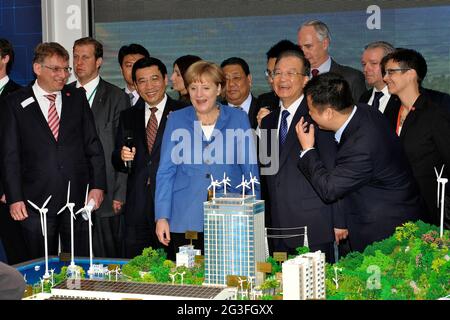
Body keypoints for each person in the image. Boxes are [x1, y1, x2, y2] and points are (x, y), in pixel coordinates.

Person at [0, 42, 106, 259]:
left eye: (66, 69)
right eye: (56, 69)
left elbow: (92, 145)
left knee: (79, 264)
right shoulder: (14, 103)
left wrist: (98, 186)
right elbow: (9, 155)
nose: (63, 75)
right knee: (39, 264)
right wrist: (14, 198)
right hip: (33, 202)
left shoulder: (76, 98)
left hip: (76, 200)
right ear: (37, 68)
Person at [296, 72, 422, 252]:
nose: (309, 114)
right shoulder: (366, 111)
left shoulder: (362, 146)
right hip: (393, 210)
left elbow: (329, 189)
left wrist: (308, 149)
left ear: (329, 112)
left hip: (385, 231)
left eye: (312, 110)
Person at [155, 61, 260, 260]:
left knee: (228, 276)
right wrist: (162, 216)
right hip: (184, 214)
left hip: (230, 215)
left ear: (219, 89)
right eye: (193, 88)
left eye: (206, 87)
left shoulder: (238, 119)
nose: (199, 94)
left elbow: (250, 171)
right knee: (187, 281)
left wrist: (253, 215)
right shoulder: (176, 119)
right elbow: (165, 172)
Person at [259, 50, 339, 263]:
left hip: (313, 226)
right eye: (277, 73)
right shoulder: (267, 122)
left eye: (290, 73)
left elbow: (333, 171)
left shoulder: (317, 116)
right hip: (276, 227)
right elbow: (268, 172)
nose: (282, 79)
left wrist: (340, 220)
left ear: (305, 79)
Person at [112, 57, 185, 259]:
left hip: (173, 206)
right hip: (137, 206)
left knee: (174, 270)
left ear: (164, 79)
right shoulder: (128, 115)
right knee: (138, 270)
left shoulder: (183, 113)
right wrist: (121, 155)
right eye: (142, 81)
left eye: (154, 79)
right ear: (135, 85)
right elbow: (117, 160)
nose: (149, 86)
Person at [71, 37, 130, 258]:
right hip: (72, 196)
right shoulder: (65, 94)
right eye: (76, 57)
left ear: (99, 62)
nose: (79, 62)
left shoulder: (116, 97)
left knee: (108, 261)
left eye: (85, 57)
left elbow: (124, 148)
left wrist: (120, 194)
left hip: (107, 197)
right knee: (76, 261)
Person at [382, 48, 450, 228]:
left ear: (411, 74)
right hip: (397, 205)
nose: (385, 78)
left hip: (431, 208)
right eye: (385, 73)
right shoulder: (391, 111)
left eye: (391, 72)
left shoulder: (435, 113)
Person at [0, 38, 28, 264]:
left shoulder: (20, 95)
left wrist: (9, 189)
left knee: (18, 254)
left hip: (7, 194)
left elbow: (21, 149)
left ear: (5, 58)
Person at [297, 20, 366, 103]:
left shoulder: (351, 79)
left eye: (308, 46)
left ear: (325, 44)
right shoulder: (296, 78)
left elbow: (362, 114)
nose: (303, 52)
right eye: (300, 48)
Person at [256, 39, 300, 126]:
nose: (271, 80)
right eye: (269, 73)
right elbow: (267, 140)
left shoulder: (315, 106)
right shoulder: (264, 102)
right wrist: (264, 129)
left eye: (277, 73)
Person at [359, 41, 401, 127]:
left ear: (390, 64)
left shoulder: (402, 98)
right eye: (364, 64)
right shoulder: (364, 98)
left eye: (373, 63)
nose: (366, 69)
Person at [221, 57, 260, 129]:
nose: (231, 84)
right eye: (226, 79)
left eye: (236, 78)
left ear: (249, 79)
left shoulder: (264, 110)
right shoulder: (214, 112)